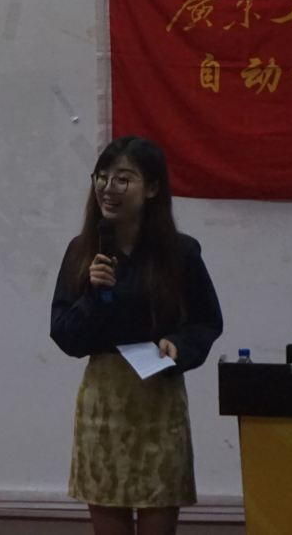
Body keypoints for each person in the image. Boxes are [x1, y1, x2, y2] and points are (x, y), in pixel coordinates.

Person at [50, 135, 223, 535]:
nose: (109, 188)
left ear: (153, 188)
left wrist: (180, 346)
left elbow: (206, 322)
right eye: (102, 176)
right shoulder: (82, 251)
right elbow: (65, 335)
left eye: (123, 179)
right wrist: (93, 296)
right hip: (103, 404)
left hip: (158, 400)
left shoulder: (180, 253)